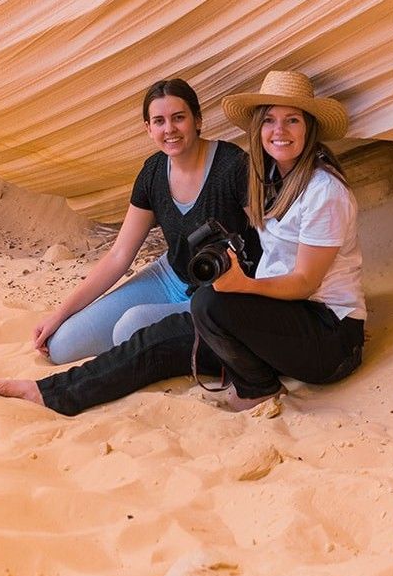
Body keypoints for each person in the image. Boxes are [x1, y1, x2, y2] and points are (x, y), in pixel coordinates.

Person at [0, 70, 365, 414]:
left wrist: (241, 287)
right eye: (269, 120)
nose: (278, 130)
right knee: (138, 342)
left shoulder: (318, 189)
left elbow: (304, 282)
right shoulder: (271, 177)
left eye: (292, 120)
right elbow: (119, 254)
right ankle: (51, 392)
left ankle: (255, 384)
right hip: (267, 315)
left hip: (328, 337)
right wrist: (58, 314)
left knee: (193, 310)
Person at [35, 77, 258, 364]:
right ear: (148, 129)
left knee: (131, 327)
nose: (170, 129)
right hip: (170, 277)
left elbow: (270, 236)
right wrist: (60, 313)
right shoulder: (153, 172)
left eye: (179, 118)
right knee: (61, 345)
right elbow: (119, 255)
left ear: (198, 120)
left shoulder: (232, 165)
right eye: (159, 121)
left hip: (221, 292)